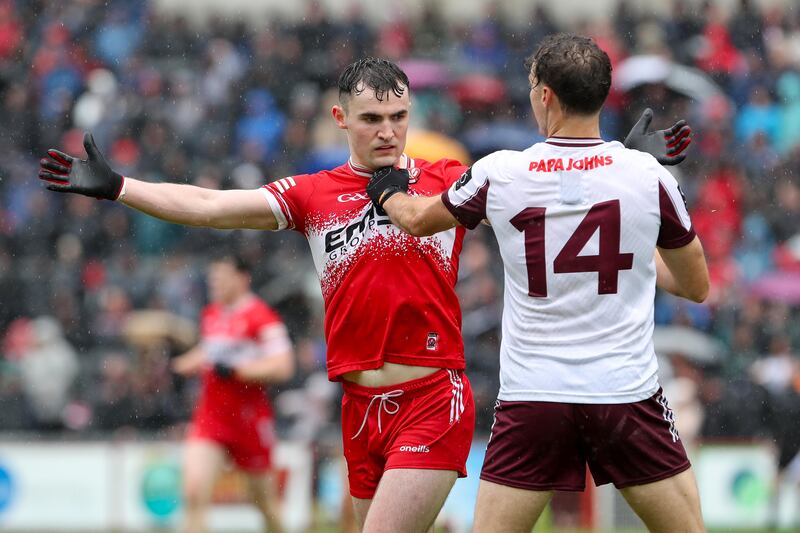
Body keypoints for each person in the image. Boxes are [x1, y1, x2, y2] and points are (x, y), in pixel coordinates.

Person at [38, 57, 690, 533]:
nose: (388, 131)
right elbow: (210, 205)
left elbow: (566, 214)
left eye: (399, 116)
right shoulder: (312, 195)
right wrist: (122, 186)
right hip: (357, 407)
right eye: (373, 118)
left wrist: (617, 165)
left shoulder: (449, 181)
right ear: (340, 117)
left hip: (435, 396)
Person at [366, 35, 709, 533]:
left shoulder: (501, 172)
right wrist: (633, 234)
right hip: (624, 394)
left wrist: (387, 191)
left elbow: (417, 220)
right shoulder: (647, 175)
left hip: (534, 398)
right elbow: (695, 286)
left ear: (544, 95)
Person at [170, 253, 294, 533]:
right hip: (211, 417)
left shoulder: (262, 317)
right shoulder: (211, 314)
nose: (215, 283)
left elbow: (283, 366)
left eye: (222, 277)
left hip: (249, 420)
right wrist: (180, 364)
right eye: (213, 277)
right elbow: (210, 351)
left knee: (264, 503)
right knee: (193, 492)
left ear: (242, 278)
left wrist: (239, 371)